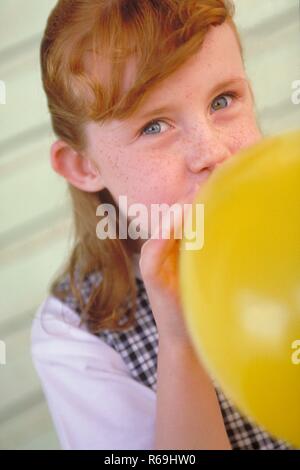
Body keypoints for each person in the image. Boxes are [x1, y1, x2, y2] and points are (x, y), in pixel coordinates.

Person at [31, 0, 293, 450]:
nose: (211, 152)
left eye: (223, 100)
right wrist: (179, 343)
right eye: (154, 126)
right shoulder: (74, 335)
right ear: (82, 165)